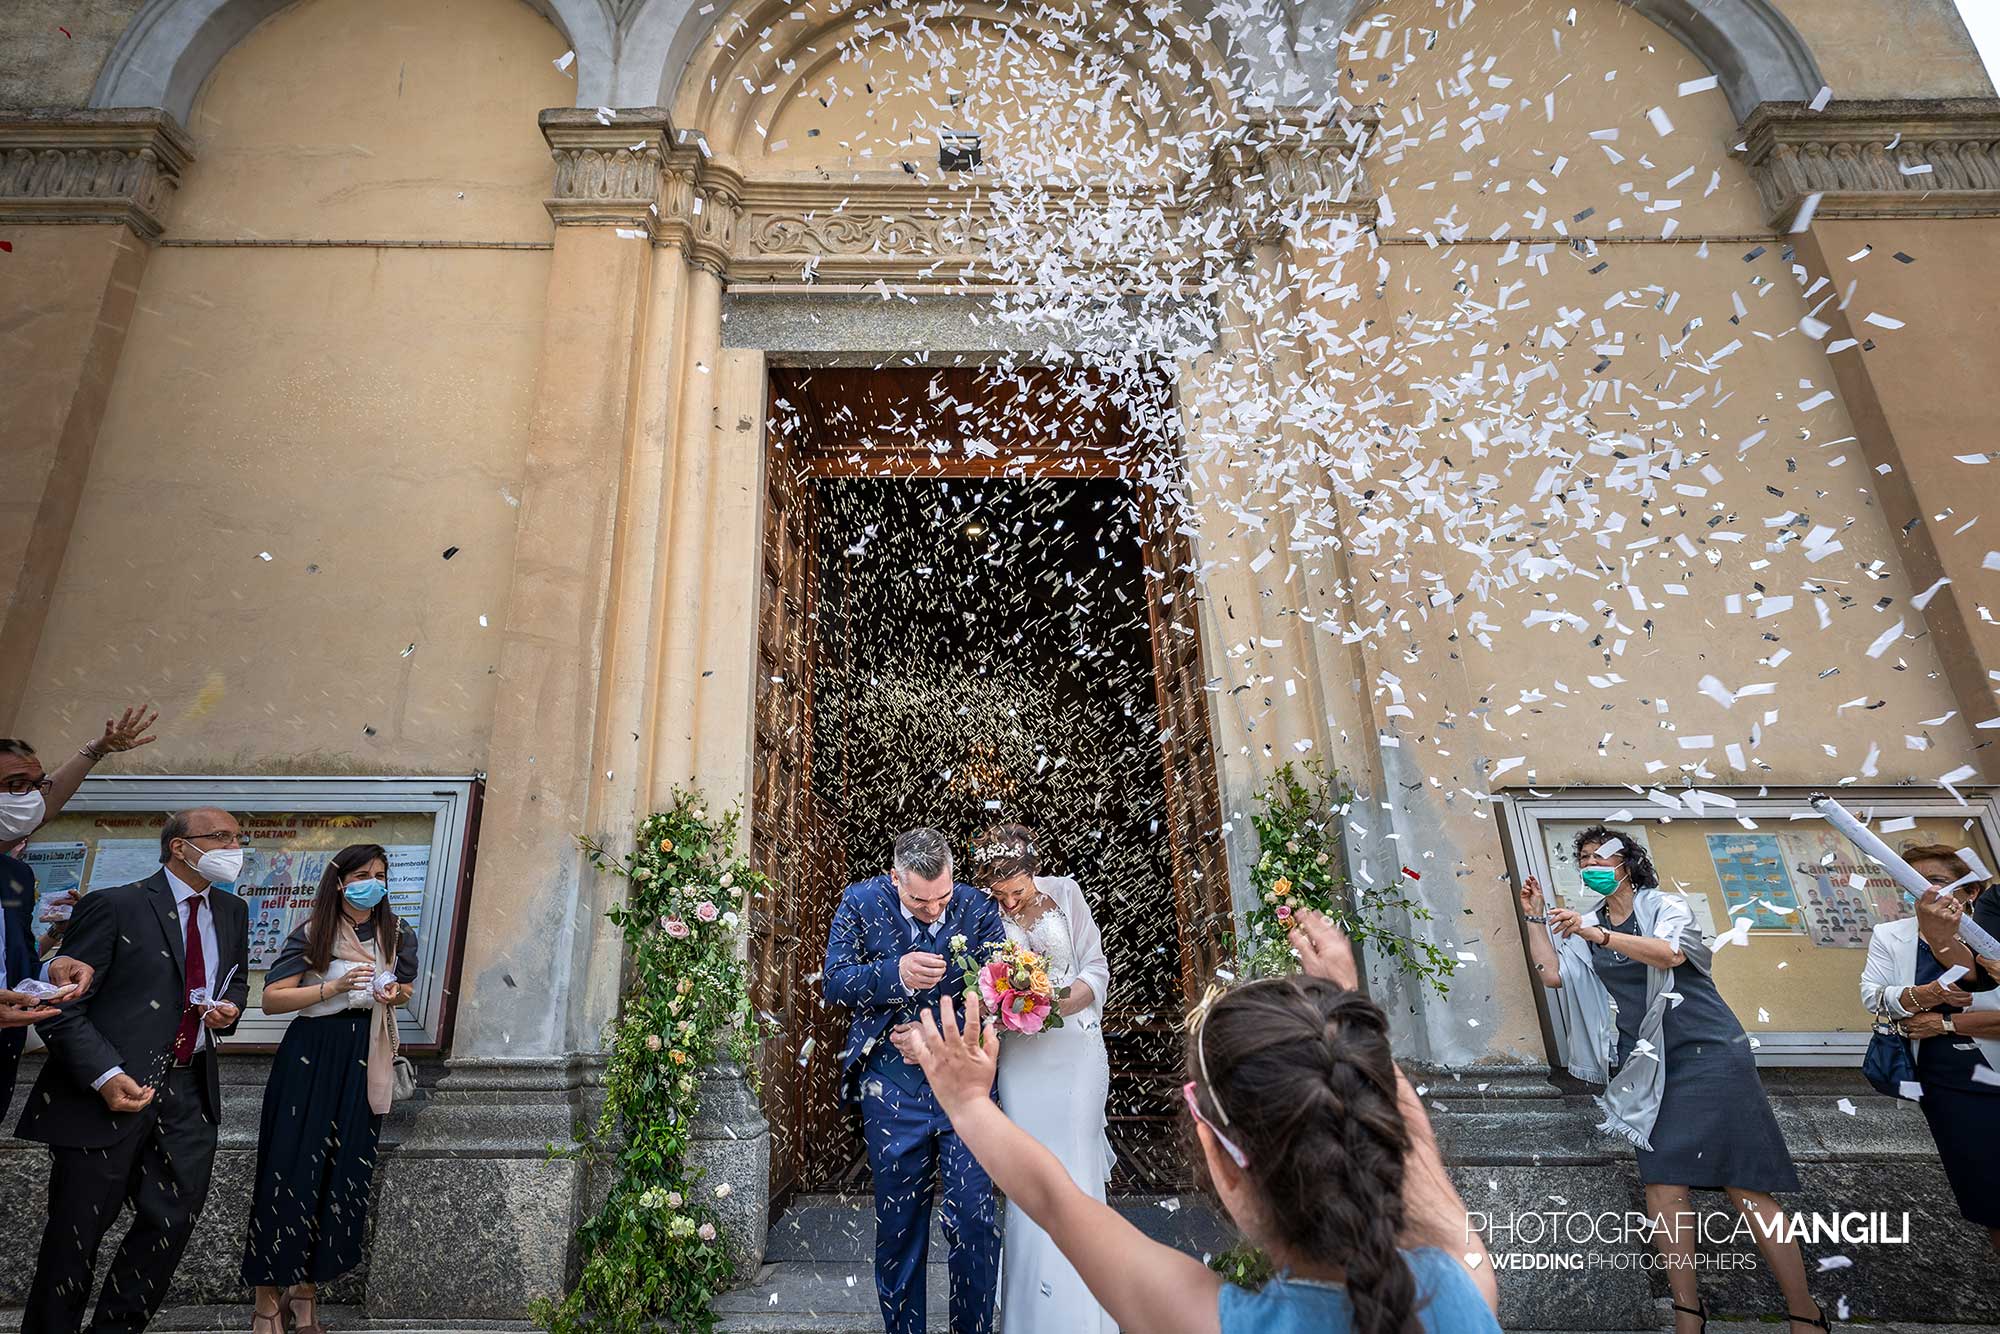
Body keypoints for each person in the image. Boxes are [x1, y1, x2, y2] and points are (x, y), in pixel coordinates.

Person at [905, 907, 1501, 1334]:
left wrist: (968, 1103)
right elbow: (1408, 1149)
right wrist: (1342, 1007)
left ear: (1224, 1161)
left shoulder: (1200, 1318)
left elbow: (1055, 1201)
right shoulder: (1462, 1283)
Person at [1518, 827, 1827, 1334]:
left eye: (1600, 857)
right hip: (1647, 1061)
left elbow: (1669, 954)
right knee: (1662, 1184)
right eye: (1583, 859)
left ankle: (1803, 1311)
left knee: (1744, 1182)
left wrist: (1597, 935)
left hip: (1708, 1051)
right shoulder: (1588, 922)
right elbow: (1553, 975)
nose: (1590, 866)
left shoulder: (1665, 906)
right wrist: (1535, 918)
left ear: (1627, 863)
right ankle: (1689, 1314)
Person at [19, 805, 252, 1334]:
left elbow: (234, 978)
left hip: (190, 1087)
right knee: (77, 1233)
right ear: (180, 846)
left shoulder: (232, 910)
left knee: (171, 1222)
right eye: (221, 837)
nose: (234, 849)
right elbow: (62, 1006)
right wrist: (105, 1075)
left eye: (238, 838)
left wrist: (231, 1007)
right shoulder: (115, 905)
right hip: (108, 1090)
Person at [824, 827, 1008, 1334]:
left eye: (942, 898)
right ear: (895, 879)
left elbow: (1001, 992)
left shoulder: (978, 907)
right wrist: (896, 974)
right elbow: (835, 981)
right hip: (892, 1091)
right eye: (919, 901)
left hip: (966, 1090)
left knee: (973, 1219)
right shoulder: (860, 901)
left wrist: (938, 1035)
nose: (933, 910)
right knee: (900, 1228)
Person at [242, 842, 418, 1332]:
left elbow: (405, 988)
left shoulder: (398, 932)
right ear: (340, 882)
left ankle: (306, 1297)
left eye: (380, 875)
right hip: (311, 1054)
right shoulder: (312, 931)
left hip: (365, 1055)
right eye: (362, 875)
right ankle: (266, 1301)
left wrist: (393, 992)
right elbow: (272, 1000)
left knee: (341, 1174)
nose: (373, 884)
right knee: (289, 1170)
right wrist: (333, 988)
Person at [960, 824, 1114, 1334]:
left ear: (1034, 871)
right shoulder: (981, 912)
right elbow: (975, 983)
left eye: (1017, 891)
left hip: (1075, 1052)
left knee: (1074, 1167)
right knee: (1027, 1177)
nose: (1008, 902)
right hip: (1020, 1061)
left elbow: (1095, 969)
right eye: (999, 893)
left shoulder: (1066, 894)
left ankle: (1085, 1315)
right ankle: (1031, 1319)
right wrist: (1002, 1005)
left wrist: (1053, 1005)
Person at [0, 711, 158, 1118]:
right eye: (15, 786)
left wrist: (56, 966)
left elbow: (15, 966)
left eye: (36, 786)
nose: (29, 799)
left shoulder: (15, 876)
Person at [1859, 845, 2000, 1253]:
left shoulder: (1990, 935)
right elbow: (1874, 996)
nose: (1926, 892)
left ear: (1970, 892)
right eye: (1913, 884)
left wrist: (1942, 1022)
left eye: (1936, 881)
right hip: (1946, 1082)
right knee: (1988, 1195)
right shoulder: (1891, 934)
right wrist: (1924, 994)